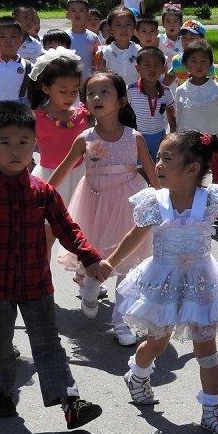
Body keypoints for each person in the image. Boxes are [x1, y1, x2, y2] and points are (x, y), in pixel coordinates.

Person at [0, 101, 107, 428]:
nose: (15, 150)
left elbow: (68, 228)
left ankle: (70, 401)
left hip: (35, 283)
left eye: (23, 142)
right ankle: (0, 392)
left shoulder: (43, 191)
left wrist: (90, 257)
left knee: (48, 343)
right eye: (5, 143)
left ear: (34, 144)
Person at [106, 131, 218, 434]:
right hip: (162, 281)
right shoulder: (154, 201)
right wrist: (109, 263)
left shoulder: (211, 199)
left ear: (192, 169)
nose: (157, 164)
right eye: (158, 158)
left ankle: (211, 411)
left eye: (166, 159)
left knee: (206, 347)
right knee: (158, 342)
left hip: (201, 283)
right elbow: (134, 236)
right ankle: (137, 374)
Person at [48, 71, 160, 346]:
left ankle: (120, 322)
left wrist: (164, 199)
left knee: (127, 263)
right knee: (94, 253)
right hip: (94, 202)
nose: (96, 97)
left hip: (129, 201)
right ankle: (89, 285)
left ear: (121, 100)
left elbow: (151, 172)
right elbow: (60, 172)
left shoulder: (134, 137)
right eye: (91, 93)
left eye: (105, 92)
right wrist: (40, 197)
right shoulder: (84, 138)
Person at [27, 49, 89, 204]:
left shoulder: (82, 114)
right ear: (46, 88)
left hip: (80, 175)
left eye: (75, 91)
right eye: (63, 91)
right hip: (49, 175)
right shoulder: (36, 118)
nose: (70, 96)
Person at [172, 40, 218, 186]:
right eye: (193, 61)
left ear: (210, 63)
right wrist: (177, 137)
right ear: (186, 64)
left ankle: (217, 199)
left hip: (212, 138)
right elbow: (179, 116)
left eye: (203, 61)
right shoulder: (181, 90)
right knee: (192, 173)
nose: (199, 65)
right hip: (189, 141)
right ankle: (195, 199)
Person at [128, 46, 177, 164]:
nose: (152, 69)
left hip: (159, 136)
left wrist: (173, 134)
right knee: (139, 169)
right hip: (137, 137)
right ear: (137, 68)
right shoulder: (130, 90)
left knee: (158, 168)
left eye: (156, 65)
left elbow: (171, 113)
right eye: (147, 65)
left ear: (163, 68)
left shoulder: (166, 91)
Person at [95, 8, 140, 87]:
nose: (123, 29)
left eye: (128, 24)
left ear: (134, 28)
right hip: (112, 94)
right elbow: (99, 76)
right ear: (111, 29)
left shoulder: (139, 51)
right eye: (118, 25)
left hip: (135, 93)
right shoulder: (105, 52)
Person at [65, 0, 102, 80]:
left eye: (81, 10)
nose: (77, 14)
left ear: (87, 14)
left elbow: (99, 57)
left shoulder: (93, 37)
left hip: (88, 78)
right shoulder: (64, 36)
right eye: (73, 10)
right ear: (67, 14)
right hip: (69, 79)